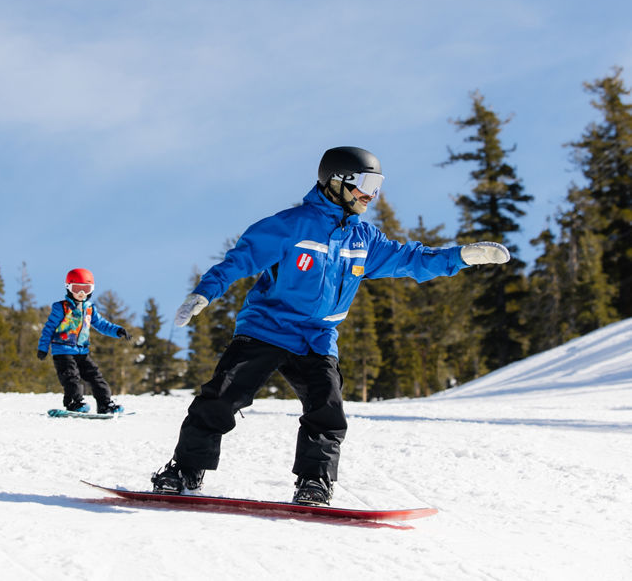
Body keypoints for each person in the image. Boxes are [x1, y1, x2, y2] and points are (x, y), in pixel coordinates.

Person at [152, 146, 511, 505]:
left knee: (327, 410)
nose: (371, 195)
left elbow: (413, 259)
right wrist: (204, 293)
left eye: (378, 185)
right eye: (367, 183)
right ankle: (185, 469)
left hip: (318, 338)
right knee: (222, 396)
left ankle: (314, 482)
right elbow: (239, 259)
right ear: (336, 181)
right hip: (267, 327)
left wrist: (461, 257)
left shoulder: (364, 240)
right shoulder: (292, 226)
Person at [38, 268, 130, 414]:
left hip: (82, 351)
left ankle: (105, 404)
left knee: (96, 376)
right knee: (71, 377)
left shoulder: (89, 309)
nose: (81, 293)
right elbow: (48, 328)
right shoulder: (61, 307)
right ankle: (74, 402)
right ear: (68, 288)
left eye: (86, 289)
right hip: (63, 351)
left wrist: (117, 330)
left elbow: (101, 324)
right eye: (77, 288)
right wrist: (43, 348)